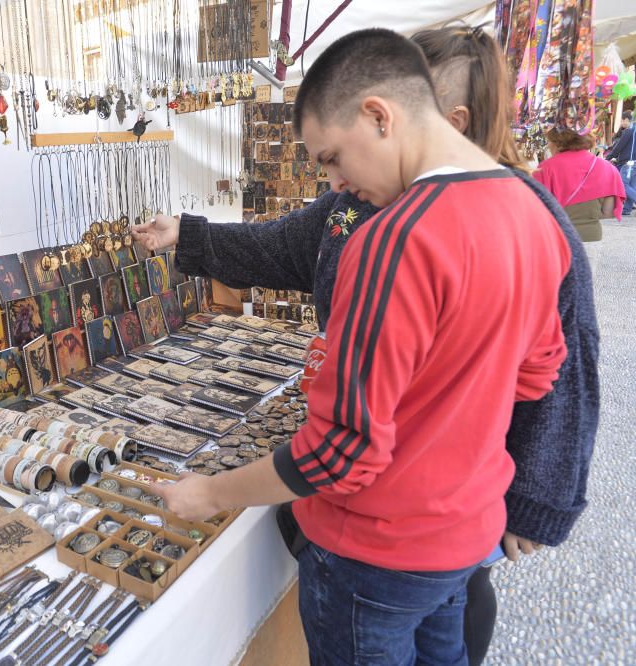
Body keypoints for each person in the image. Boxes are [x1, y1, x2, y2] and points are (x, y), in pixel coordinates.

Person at [137, 26, 600, 664]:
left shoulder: (392, 239)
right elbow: (537, 372)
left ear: (378, 116)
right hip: (459, 539)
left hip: (375, 552)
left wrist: (208, 494)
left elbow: (340, 453)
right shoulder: (533, 217)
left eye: (330, 158)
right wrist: (444, 424)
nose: (334, 184)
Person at [532, 128, 625, 242]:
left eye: (549, 141)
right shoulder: (608, 168)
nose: (548, 146)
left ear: (557, 142)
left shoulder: (545, 168)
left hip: (557, 237)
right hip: (592, 236)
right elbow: (609, 212)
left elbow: (535, 211)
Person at [605, 109, 636, 216]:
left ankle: (628, 207)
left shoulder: (629, 131)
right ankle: (627, 209)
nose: (622, 124)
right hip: (633, 162)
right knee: (631, 185)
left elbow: (618, 147)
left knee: (623, 184)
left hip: (628, 163)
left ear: (627, 120)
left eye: (622, 121)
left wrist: (608, 157)